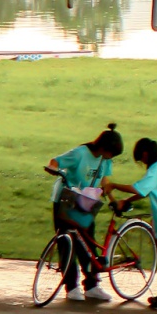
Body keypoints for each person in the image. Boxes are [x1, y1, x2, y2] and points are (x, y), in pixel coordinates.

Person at [105, 138, 157, 311]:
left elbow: (138, 189)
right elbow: (146, 190)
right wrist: (127, 201)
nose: (141, 162)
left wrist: (113, 185)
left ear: (145, 154)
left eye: (140, 158)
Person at [47, 123, 122, 302]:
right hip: (66, 200)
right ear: (103, 147)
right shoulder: (80, 153)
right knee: (67, 242)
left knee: (88, 242)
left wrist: (113, 200)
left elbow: (104, 180)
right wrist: (54, 170)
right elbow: (55, 161)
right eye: (111, 153)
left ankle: (92, 285)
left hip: (86, 201)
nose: (110, 158)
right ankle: (71, 287)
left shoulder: (105, 159)